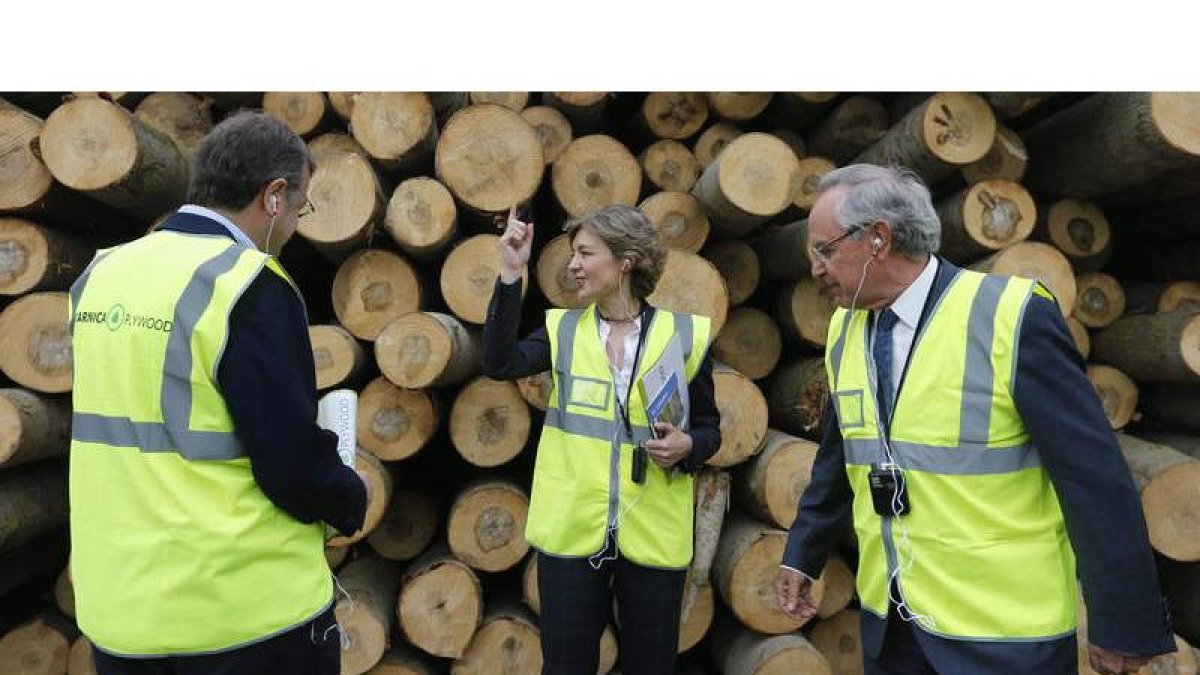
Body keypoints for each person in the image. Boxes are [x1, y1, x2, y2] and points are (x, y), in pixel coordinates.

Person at [775, 164, 1174, 675]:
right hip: (894, 629)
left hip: (1004, 639)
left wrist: (1124, 621)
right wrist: (802, 552)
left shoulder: (1012, 316)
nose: (816, 269)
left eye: (824, 249)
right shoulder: (844, 329)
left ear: (878, 239)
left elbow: (1093, 478)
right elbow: (841, 457)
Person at [69, 110, 367, 675]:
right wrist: (349, 499)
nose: (296, 224)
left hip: (122, 616)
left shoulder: (100, 274)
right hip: (243, 619)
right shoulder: (246, 283)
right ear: (273, 196)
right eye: (301, 208)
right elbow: (291, 464)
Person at [482, 204, 721, 675]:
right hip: (573, 531)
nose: (572, 265)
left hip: (652, 533)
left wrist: (689, 446)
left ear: (625, 261)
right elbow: (498, 362)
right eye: (573, 254)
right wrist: (511, 272)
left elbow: (710, 429)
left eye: (585, 253)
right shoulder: (562, 331)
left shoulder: (683, 335)